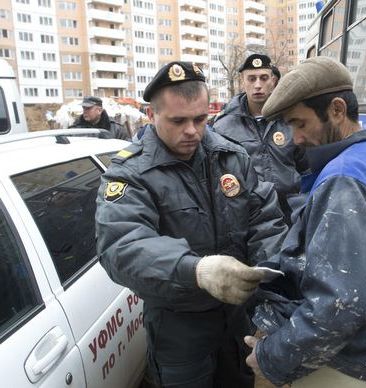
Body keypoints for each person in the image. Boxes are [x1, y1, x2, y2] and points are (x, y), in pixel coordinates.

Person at [95, 61, 288, 387]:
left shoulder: (230, 157)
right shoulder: (129, 173)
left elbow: (264, 220)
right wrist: (195, 271)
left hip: (237, 317)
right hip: (179, 327)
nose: (192, 131)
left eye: (200, 119)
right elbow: (122, 246)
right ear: (151, 115)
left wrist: (271, 287)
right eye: (178, 120)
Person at [244, 57, 366, 387]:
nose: (295, 138)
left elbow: (341, 305)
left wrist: (271, 357)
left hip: (339, 368)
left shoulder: (344, 179)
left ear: (337, 110)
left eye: (300, 124)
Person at [212, 54, 307, 225]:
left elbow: (306, 167)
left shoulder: (291, 118)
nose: (258, 85)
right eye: (251, 79)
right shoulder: (223, 126)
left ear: (274, 81)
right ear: (243, 82)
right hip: (249, 216)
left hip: (293, 213)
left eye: (264, 78)